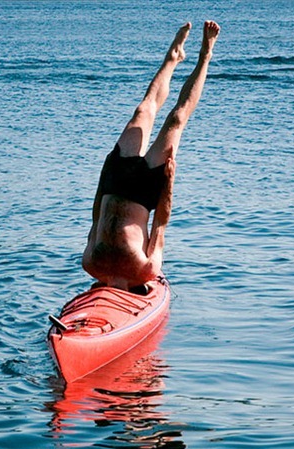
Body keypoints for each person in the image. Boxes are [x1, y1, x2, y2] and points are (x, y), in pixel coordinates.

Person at [82, 20, 220, 292]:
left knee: (143, 110)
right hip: (146, 192)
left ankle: (174, 58)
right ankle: (205, 56)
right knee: (177, 118)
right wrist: (168, 182)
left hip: (113, 181)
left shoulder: (90, 264)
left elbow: (96, 216)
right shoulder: (146, 270)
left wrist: (106, 169)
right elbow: (161, 224)